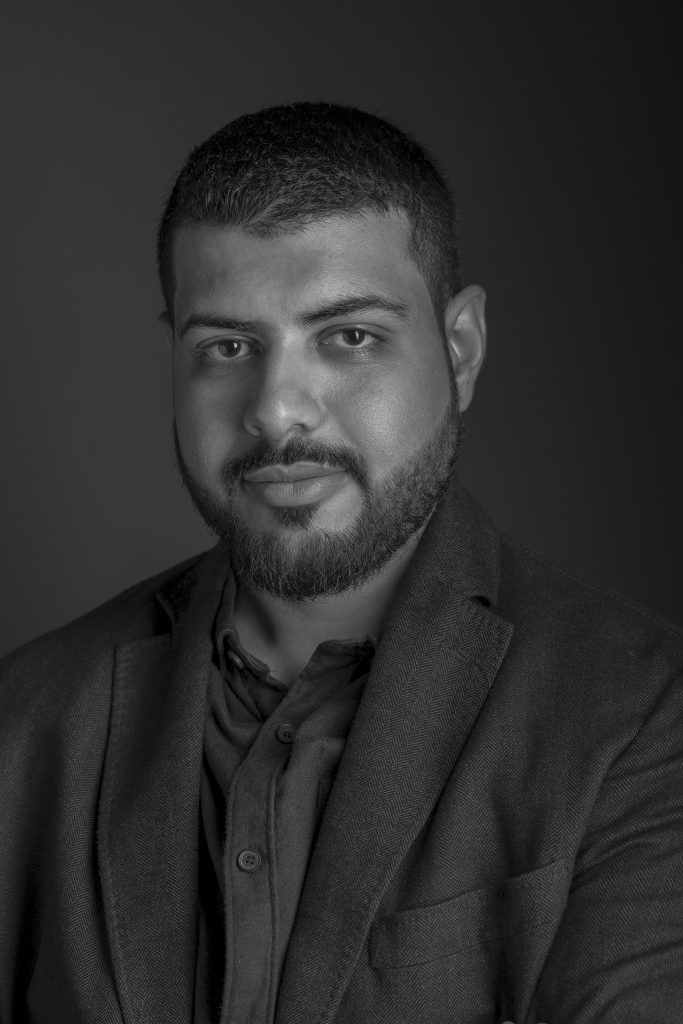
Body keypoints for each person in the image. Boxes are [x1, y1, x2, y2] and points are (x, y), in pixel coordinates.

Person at [0, 102, 681, 1024]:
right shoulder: (29, 720)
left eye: (348, 336)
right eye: (227, 347)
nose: (276, 410)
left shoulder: (639, 714)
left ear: (460, 350)